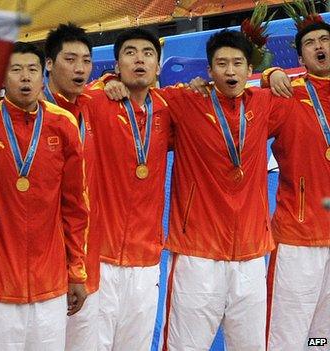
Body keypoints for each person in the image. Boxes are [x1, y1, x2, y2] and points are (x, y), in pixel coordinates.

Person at [104, 29, 289, 350]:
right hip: (196, 257)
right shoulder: (185, 101)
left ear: (249, 69)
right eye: (221, 64)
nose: (230, 71)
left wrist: (274, 72)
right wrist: (109, 79)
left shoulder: (264, 102)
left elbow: (310, 86)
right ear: (209, 70)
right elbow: (139, 90)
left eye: (238, 64)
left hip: (251, 257)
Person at [0, 41, 89, 351]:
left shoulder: (63, 124)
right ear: (1, 77)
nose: (25, 78)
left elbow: (75, 206)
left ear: (43, 74)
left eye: (32, 70)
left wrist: (76, 269)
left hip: (50, 285)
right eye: (16, 70)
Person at [85, 28, 171, 351]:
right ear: (117, 63)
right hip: (101, 259)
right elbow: (67, 94)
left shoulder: (168, 108)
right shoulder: (97, 101)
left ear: (158, 68)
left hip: (146, 261)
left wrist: (270, 73)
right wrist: (104, 80)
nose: (139, 59)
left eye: (148, 53)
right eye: (130, 52)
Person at [260, 11, 330, 349]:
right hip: (299, 236)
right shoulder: (288, 95)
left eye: (325, 40)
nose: (319, 47)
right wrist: (268, 74)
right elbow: (237, 102)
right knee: (285, 333)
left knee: (322, 334)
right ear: (300, 57)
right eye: (310, 43)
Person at [42, 23, 100, 351]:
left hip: (87, 262)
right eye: (70, 59)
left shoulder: (93, 105)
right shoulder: (29, 110)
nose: (79, 68)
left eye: (86, 60)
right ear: (49, 63)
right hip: (39, 264)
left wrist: (268, 73)